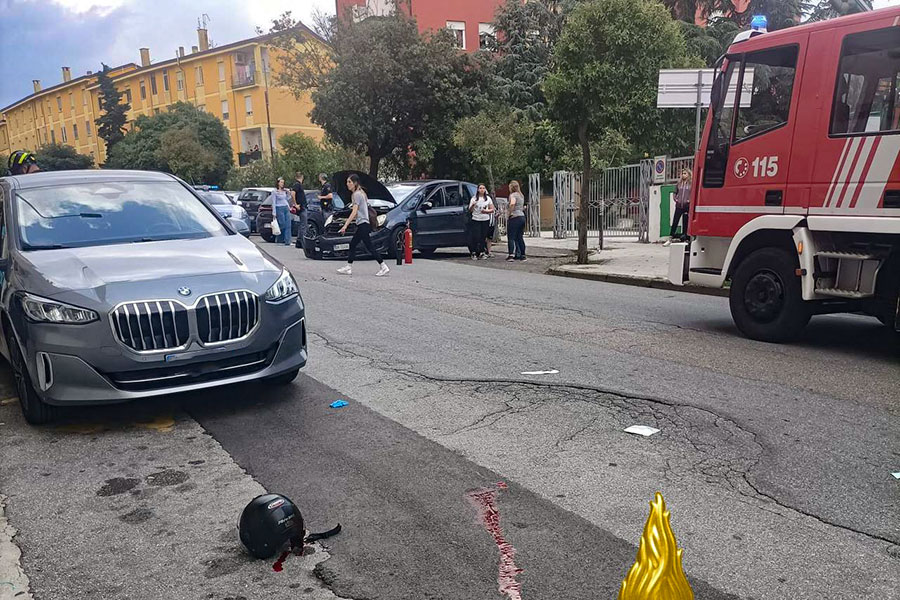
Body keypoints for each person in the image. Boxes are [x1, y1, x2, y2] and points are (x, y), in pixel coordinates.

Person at [337, 174, 389, 277]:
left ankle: (383, 266)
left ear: (355, 183)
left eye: (349, 182)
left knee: (369, 246)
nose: (347, 184)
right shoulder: (361, 193)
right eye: (347, 182)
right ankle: (348, 267)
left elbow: (354, 211)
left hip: (363, 224)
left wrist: (345, 225)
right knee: (353, 244)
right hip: (363, 224)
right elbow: (358, 212)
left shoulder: (356, 194)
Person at [664, 169, 692, 247]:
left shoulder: (691, 184)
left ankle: (686, 238)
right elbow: (675, 192)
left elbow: (693, 193)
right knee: (675, 221)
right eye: (682, 173)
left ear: (689, 174)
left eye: (685, 173)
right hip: (679, 205)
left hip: (687, 206)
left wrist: (689, 200)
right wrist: (676, 199)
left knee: (686, 222)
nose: (683, 175)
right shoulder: (679, 183)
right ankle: (670, 238)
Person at [467, 184, 495, 260]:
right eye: (480, 188)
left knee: (483, 236)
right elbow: (470, 210)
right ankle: (474, 252)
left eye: (483, 188)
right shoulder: (474, 198)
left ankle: (482, 251)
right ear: (478, 190)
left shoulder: (488, 199)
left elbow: (492, 209)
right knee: (476, 236)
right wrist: (473, 205)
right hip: (476, 219)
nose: (482, 190)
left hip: (485, 219)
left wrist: (486, 211)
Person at [506, 180, 527, 261]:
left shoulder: (513, 195)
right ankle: (522, 255)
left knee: (511, 237)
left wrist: (509, 213)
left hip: (515, 217)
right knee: (519, 237)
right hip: (522, 216)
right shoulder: (521, 195)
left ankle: (511, 255)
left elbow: (512, 203)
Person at [270, 177, 294, 246]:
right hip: (279, 208)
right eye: (281, 182)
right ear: (278, 183)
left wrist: (289, 193)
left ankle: (288, 241)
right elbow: (274, 202)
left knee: (288, 224)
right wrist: (274, 213)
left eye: (283, 182)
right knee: (282, 224)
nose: (282, 184)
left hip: (286, 207)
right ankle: (280, 239)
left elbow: (287, 199)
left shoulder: (284, 191)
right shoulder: (275, 191)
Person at [292, 172, 308, 250]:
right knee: (304, 225)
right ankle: (302, 242)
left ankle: (299, 241)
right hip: (301, 207)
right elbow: (293, 193)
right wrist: (295, 204)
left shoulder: (298, 185)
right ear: (302, 177)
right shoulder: (297, 185)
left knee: (302, 224)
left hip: (302, 207)